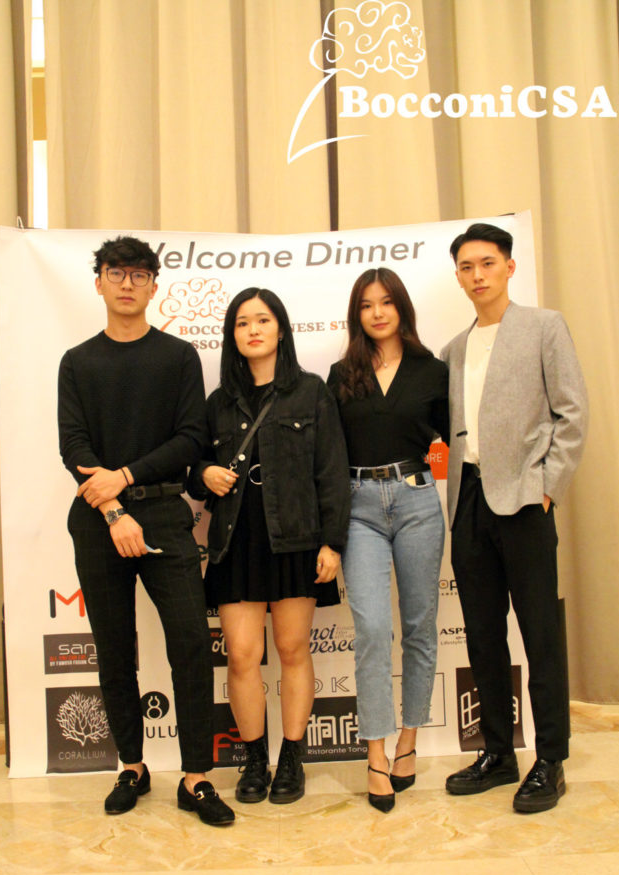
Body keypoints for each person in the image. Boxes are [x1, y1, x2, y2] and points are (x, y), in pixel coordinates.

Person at [58, 235, 234, 826]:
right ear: (100, 282)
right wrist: (113, 510)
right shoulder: (77, 362)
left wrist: (127, 477)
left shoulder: (178, 357)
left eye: (139, 274)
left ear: (154, 286)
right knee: (114, 649)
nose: (128, 283)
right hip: (98, 521)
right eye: (117, 272)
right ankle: (131, 766)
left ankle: (196, 777)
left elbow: (190, 439)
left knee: (190, 643)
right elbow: (73, 446)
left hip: (163, 513)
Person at [442, 222, 588, 813]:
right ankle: (498, 752)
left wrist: (547, 488)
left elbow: (572, 413)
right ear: (458, 277)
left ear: (509, 266)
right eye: (466, 267)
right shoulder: (454, 348)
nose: (477, 275)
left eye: (487, 263)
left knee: (540, 633)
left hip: (525, 500)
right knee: (482, 635)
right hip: (469, 501)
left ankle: (550, 758)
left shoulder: (544, 326)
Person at [188, 287, 350, 804]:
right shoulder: (217, 403)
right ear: (232, 336)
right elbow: (191, 467)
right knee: (241, 656)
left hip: (296, 537)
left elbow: (332, 472)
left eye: (262, 320)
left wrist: (333, 543)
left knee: (292, 649)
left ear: (281, 329)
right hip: (235, 539)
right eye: (242, 323)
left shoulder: (311, 391)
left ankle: (292, 760)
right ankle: (254, 760)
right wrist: (203, 474)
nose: (253, 330)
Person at [328, 268, 449, 813]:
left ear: (401, 307)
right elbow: (330, 455)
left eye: (386, 302)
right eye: (366, 305)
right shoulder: (341, 374)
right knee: (374, 630)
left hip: (417, 500)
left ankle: (409, 741)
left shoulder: (432, 370)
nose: (377, 313)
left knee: (420, 626)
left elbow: (454, 438)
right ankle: (374, 753)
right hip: (358, 508)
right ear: (357, 314)